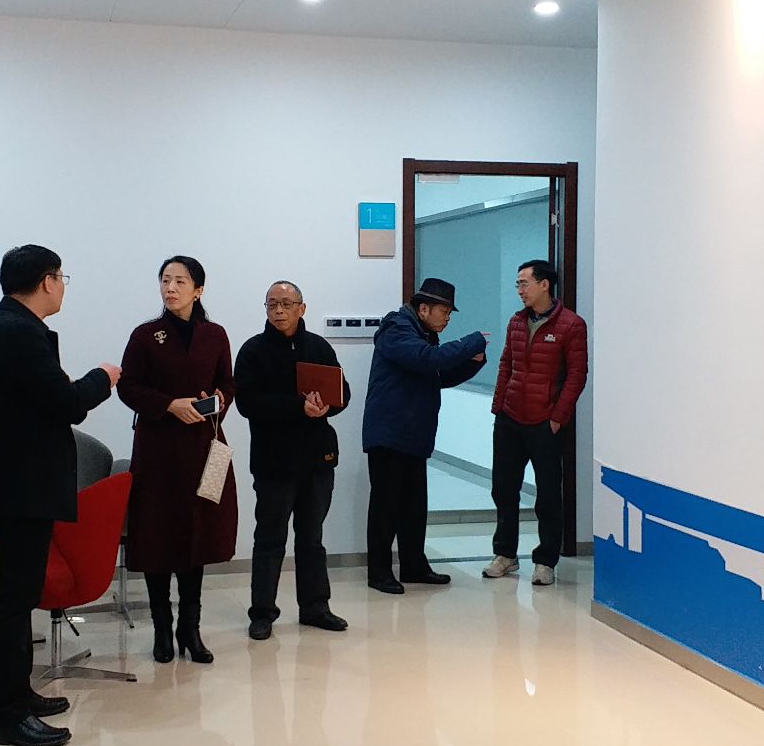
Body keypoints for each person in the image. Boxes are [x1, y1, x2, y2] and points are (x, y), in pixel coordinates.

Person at [0, 245, 120, 746]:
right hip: (23, 484)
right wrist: (103, 378)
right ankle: (7, 716)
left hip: (23, 481)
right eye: (61, 278)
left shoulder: (15, 326)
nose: (62, 288)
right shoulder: (17, 331)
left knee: (23, 593)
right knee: (15, 600)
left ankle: (19, 693)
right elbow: (67, 403)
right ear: (46, 281)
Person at [118, 256, 238, 665]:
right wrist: (170, 404)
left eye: (180, 281)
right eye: (165, 280)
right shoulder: (145, 335)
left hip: (203, 447)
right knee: (158, 539)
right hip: (158, 452)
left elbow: (227, 383)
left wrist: (219, 399)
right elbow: (128, 388)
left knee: (196, 537)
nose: (170, 288)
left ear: (198, 290)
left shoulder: (215, 334)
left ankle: (191, 629)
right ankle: (162, 629)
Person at [234, 280, 351, 641]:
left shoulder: (319, 347)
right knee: (270, 538)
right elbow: (247, 403)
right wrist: (298, 407)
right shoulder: (253, 351)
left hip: (317, 458)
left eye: (286, 303)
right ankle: (262, 613)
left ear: (302, 308)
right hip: (274, 461)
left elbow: (343, 393)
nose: (279, 311)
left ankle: (315, 607)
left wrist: (326, 406)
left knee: (312, 537)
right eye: (272, 304)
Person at [360, 277, 487, 594]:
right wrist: (471, 342)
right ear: (424, 308)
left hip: (413, 435)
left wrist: (473, 364)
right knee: (386, 507)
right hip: (389, 435)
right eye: (445, 311)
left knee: (414, 507)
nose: (447, 318)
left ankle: (414, 565)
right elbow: (426, 360)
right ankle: (379, 572)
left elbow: (436, 375)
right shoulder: (396, 330)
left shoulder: (422, 336)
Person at [483, 259, 588, 587]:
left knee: (548, 495)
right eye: (518, 284)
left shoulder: (571, 324)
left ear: (544, 285)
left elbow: (577, 375)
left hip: (545, 423)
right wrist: (498, 405)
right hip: (510, 419)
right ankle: (505, 554)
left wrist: (558, 418)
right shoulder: (517, 322)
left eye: (524, 283)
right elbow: (506, 363)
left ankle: (545, 561)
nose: (520, 290)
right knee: (503, 489)